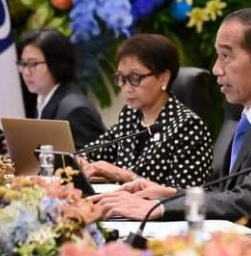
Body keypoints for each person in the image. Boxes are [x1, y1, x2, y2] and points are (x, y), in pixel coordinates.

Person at [93, 8, 251, 230]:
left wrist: (160, 207)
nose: (216, 69)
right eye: (217, 56)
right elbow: (227, 194)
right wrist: (170, 194)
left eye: (226, 56)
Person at [78, 33, 212, 188]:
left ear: (163, 78)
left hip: (160, 211)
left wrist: (127, 176)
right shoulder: (130, 115)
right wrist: (81, 161)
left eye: (135, 78)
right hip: (121, 206)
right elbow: (94, 152)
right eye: (121, 78)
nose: (126, 88)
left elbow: (187, 195)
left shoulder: (188, 126)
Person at [17, 28, 105, 149]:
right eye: (23, 64)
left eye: (32, 64)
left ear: (56, 63)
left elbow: (91, 164)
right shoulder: (42, 100)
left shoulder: (76, 111)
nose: (26, 72)